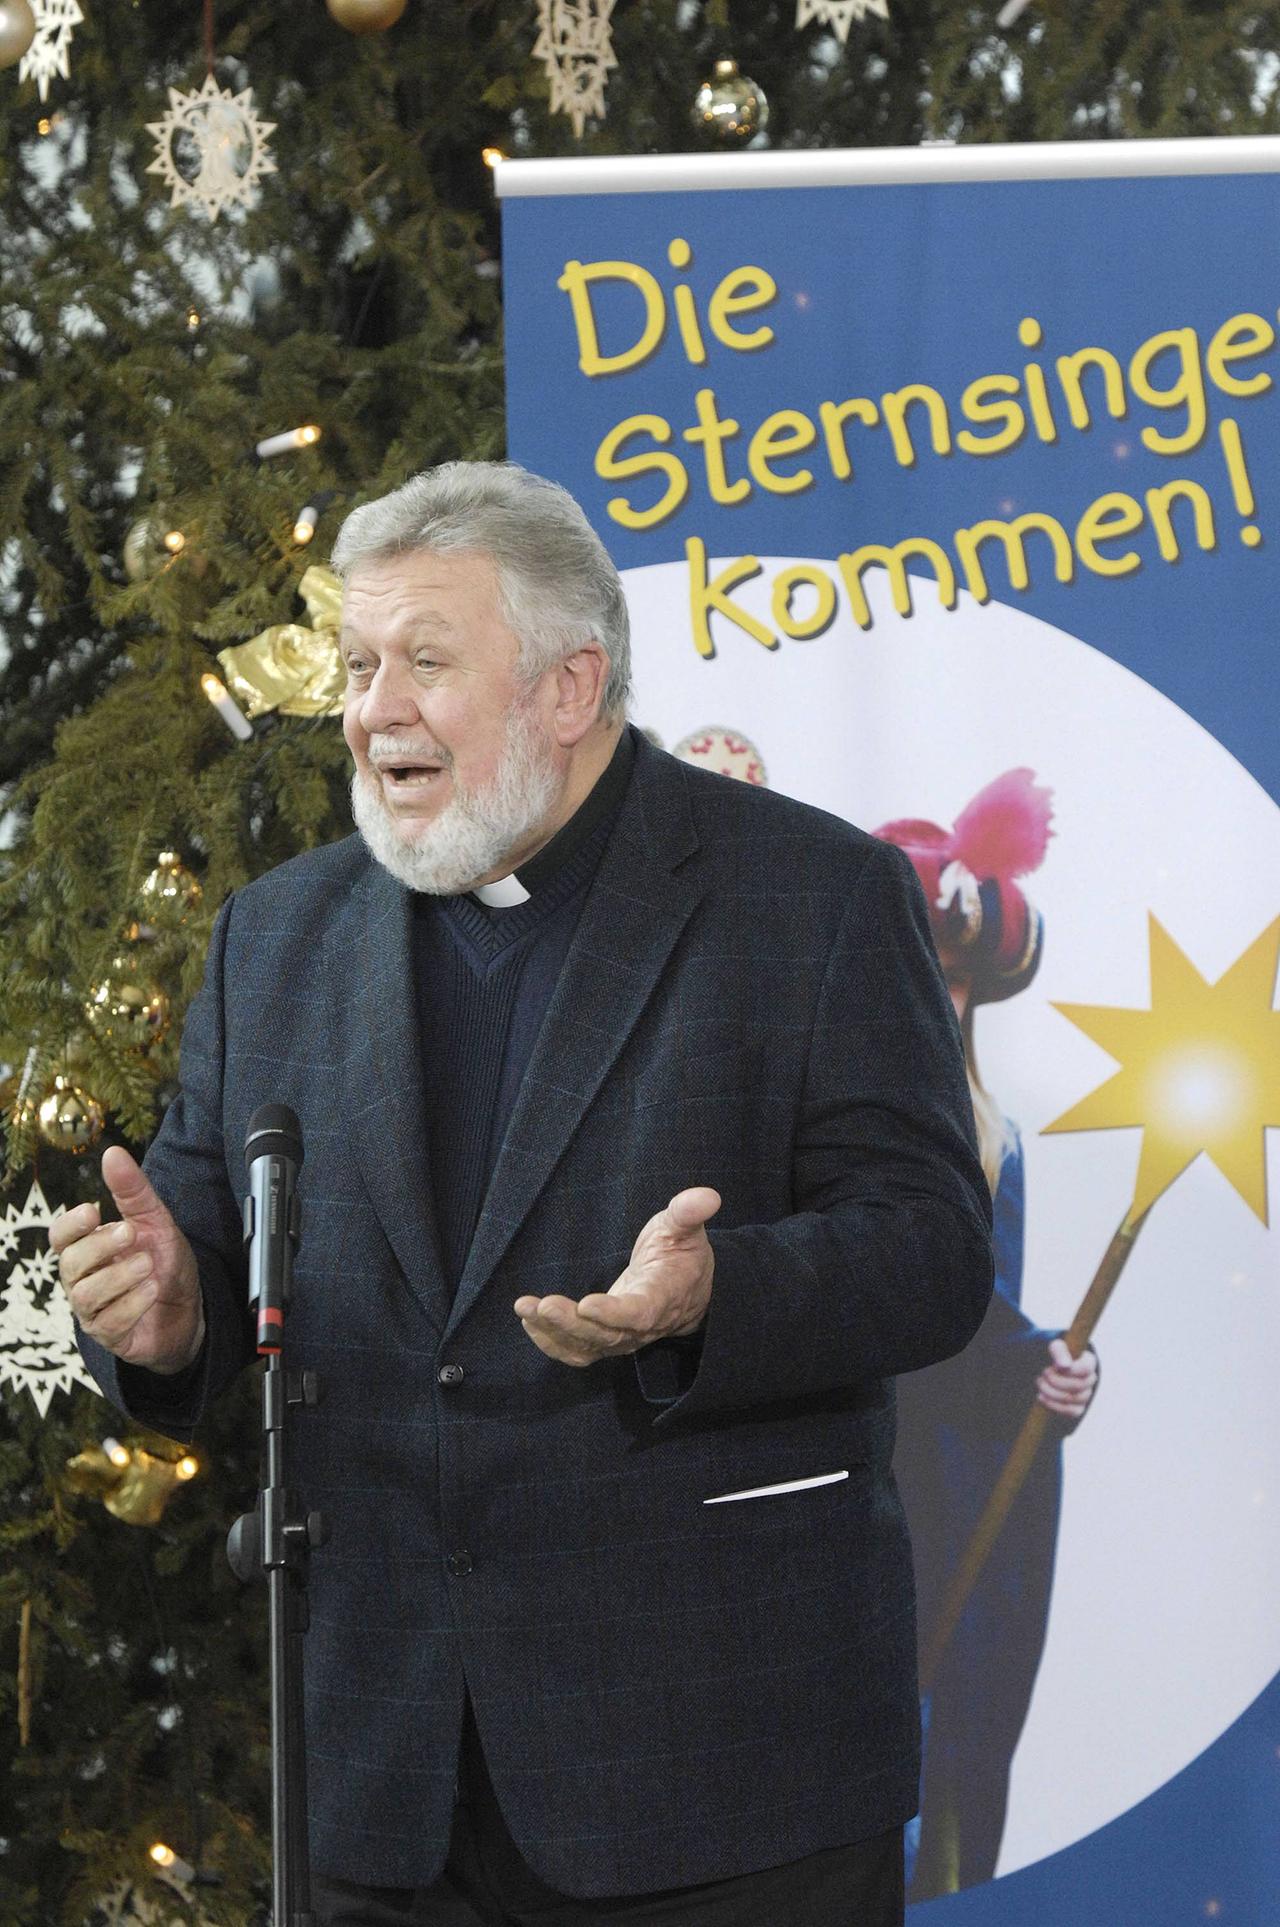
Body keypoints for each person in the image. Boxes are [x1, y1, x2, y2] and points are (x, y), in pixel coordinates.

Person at [53, 461, 994, 1927]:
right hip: (385, 1778)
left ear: (570, 686)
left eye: (425, 662)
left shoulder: (812, 897)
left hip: (724, 1771)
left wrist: (712, 1294)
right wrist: (165, 1318)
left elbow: (935, 1250)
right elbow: (205, 1249)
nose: (371, 711)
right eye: (360, 667)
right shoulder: (275, 937)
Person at [875, 773, 1099, 1902]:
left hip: (967, 1478)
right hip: (863, 1477)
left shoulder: (993, 1131)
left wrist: (1053, 1373)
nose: (943, 999)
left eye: (959, 979)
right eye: (926, 974)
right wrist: (1023, 1356)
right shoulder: (827, 1113)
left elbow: (988, 1308)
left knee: (958, 1752)